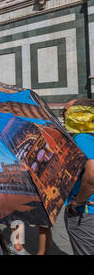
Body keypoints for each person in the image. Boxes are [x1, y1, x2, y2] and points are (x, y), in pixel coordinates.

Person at [62, 98, 94, 255]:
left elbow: (92, 174)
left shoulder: (82, 138)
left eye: (67, 110)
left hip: (86, 211)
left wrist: (78, 201)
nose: (63, 114)